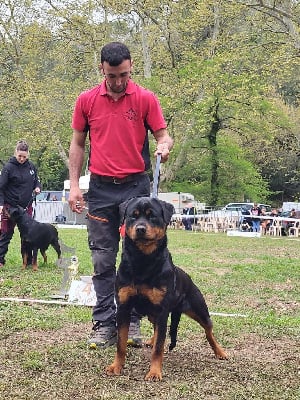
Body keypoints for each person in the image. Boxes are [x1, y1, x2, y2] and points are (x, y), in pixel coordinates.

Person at [68, 42, 173, 348]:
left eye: (123, 75)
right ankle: (103, 323)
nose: (118, 81)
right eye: (112, 75)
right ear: (101, 69)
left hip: (136, 189)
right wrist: (75, 185)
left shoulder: (145, 99)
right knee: (102, 259)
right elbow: (77, 144)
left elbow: (163, 136)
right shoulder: (86, 101)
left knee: (137, 259)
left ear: (131, 68)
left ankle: (134, 322)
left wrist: (164, 146)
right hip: (100, 188)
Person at [0, 140, 41, 268]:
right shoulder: (8, 168)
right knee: (6, 233)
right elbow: (0, 187)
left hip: (26, 207)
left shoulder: (31, 167)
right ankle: (0, 260)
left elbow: (37, 181)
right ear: (15, 153)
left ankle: (28, 261)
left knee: (28, 234)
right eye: (19, 156)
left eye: (24, 156)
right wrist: (1, 204)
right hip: (10, 207)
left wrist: (38, 187)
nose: (22, 159)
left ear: (28, 154)